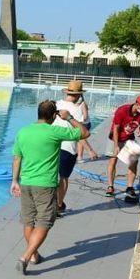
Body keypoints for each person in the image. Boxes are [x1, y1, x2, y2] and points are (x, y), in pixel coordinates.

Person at [11, 100, 89, 275]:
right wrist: (69, 118)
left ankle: (34, 255)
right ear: (54, 116)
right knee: (45, 222)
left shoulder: (23, 131)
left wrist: (14, 181)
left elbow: (17, 159)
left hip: (26, 183)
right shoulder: (54, 131)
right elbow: (85, 133)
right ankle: (25, 257)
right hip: (45, 185)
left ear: (38, 113)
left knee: (29, 221)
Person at [105, 95, 140, 200]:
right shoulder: (122, 111)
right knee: (113, 161)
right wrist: (116, 145)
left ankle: (129, 187)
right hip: (115, 138)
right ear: (137, 104)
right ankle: (110, 186)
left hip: (129, 138)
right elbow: (116, 128)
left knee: (134, 162)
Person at [53, 80, 87, 216]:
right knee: (64, 178)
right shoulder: (77, 110)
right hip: (68, 148)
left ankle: (50, 203)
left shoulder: (55, 104)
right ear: (79, 95)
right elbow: (81, 131)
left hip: (53, 145)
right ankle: (59, 205)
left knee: (52, 176)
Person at [76, 94, 99, 162]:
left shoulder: (83, 104)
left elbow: (85, 117)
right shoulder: (74, 104)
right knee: (80, 141)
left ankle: (82, 156)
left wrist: (75, 121)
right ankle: (80, 157)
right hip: (80, 123)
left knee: (80, 140)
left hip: (84, 124)